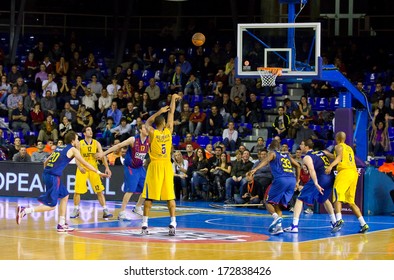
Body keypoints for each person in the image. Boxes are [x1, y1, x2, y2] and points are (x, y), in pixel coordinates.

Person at [16, 131, 109, 231]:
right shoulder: (73, 149)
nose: (78, 141)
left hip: (48, 174)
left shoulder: (60, 147)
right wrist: (98, 172)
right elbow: (85, 163)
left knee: (65, 195)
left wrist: (48, 172)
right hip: (53, 177)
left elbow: (46, 162)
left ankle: (61, 223)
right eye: (77, 139)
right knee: (51, 206)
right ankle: (25, 210)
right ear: (73, 141)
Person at [141, 93, 180, 236]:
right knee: (170, 197)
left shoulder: (152, 133)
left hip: (155, 166)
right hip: (166, 166)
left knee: (149, 197)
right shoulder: (169, 132)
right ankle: (173, 222)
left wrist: (158, 111)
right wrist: (174, 99)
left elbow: (146, 123)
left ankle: (145, 224)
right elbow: (172, 113)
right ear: (164, 124)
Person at [96, 124, 148, 220]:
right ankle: (122, 212)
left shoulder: (149, 140)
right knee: (130, 190)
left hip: (140, 167)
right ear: (140, 130)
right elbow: (119, 145)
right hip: (131, 167)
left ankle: (137, 207)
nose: (147, 129)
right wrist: (103, 153)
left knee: (147, 188)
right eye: (145, 128)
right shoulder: (133, 140)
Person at [284, 139, 337, 233]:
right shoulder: (322, 152)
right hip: (330, 177)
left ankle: (294, 226)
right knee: (324, 199)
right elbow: (335, 157)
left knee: (300, 199)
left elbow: (312, 171)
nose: (300, 146)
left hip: (320, 177)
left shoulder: (307, 157)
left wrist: (316, 183)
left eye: (302, 144)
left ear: (306, 147)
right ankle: (334, 222)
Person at [251, 139, 301, 235]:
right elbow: (298, 166)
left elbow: (266, 160)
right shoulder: (287, 155)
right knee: (277, 204)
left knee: (267, 201)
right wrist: (298, 181)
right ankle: (279, 228)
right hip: (291, 180)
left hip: (281, 180)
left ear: (270, 147)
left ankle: (276, 217)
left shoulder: (272, 153)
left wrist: (256, 169)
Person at [325, 131, 369, 234]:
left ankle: (339, 219)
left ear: (337, 138)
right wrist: (328, 155)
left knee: (337, 196)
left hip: (344, 172)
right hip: (353, 173)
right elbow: (340, 157)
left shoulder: (338, 146)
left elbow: (339, 158)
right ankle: (363, 224)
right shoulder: (349, 148)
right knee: (351, 201)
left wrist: (331, 166)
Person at [70, 126, 113, 219]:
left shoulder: (96, 143)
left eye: (91, 129)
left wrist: (107, 167)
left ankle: (105, 210)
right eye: (88, 130)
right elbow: (76, 157)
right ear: (84, 133)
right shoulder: (80, 144)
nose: (91, 131)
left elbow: (102, 156)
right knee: (77, 191)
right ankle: (76, 209)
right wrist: (79, 167)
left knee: (99, 190)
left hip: (93, 169)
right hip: (83, 169)